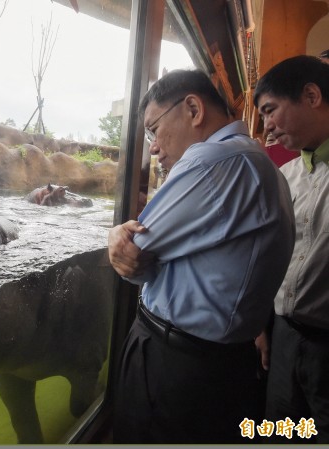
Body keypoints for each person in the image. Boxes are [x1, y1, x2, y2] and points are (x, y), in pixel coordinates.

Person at [108, 69, 295, 443]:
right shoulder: (261, 165)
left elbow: (133, 256)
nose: (153, 147)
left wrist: (118, 237)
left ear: (193, 108)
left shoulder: (213, 161)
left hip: (176, 366)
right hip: (217, 364)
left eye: (153, 130)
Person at [254, 55, 329, 443]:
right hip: (282, 334)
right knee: (281, 431)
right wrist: (261, 326)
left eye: (271, 110)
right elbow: (271, 254)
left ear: (312, 95)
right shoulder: (285, 176)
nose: (266, 125)